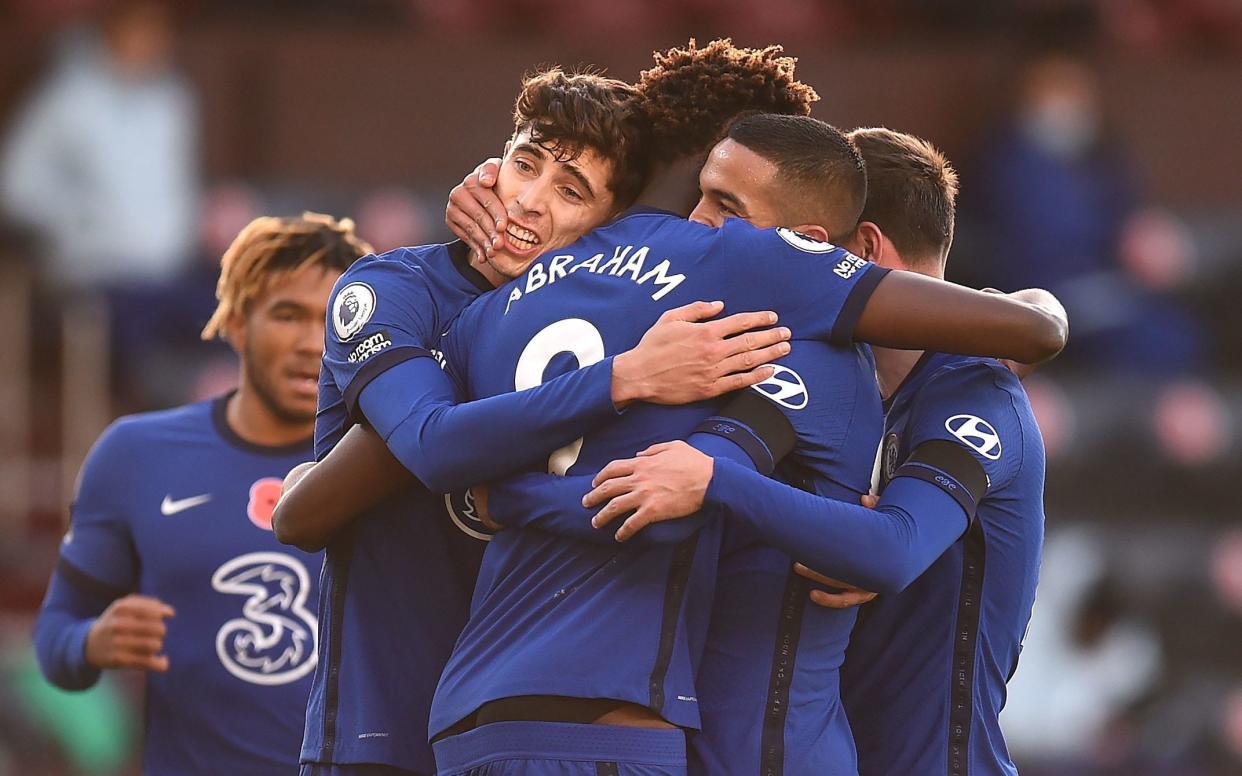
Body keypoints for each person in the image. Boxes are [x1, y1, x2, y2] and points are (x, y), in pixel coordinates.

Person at [276, 42, 812, 776]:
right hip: (379, 734)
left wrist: (851, 514)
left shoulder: (651, 317)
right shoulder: (396, 288)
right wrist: (620, 376)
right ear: (496, 161)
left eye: (572, 190)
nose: (528, 200)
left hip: (513, 727)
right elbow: (331, 500)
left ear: (610, 226)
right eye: (525, 165)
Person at [582, 126, 1049, 775]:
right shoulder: (821, 376)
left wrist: (717, 480)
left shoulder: (975, 392)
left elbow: (893, 547)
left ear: (862, 248)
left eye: (807, 249)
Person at [31, 213, 371, 775]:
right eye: (288, 315)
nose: (314, 343)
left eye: (333, 319)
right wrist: (93, 641)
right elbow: (55, 636)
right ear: (237, 323)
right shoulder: (137, 455)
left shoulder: (393, 462)